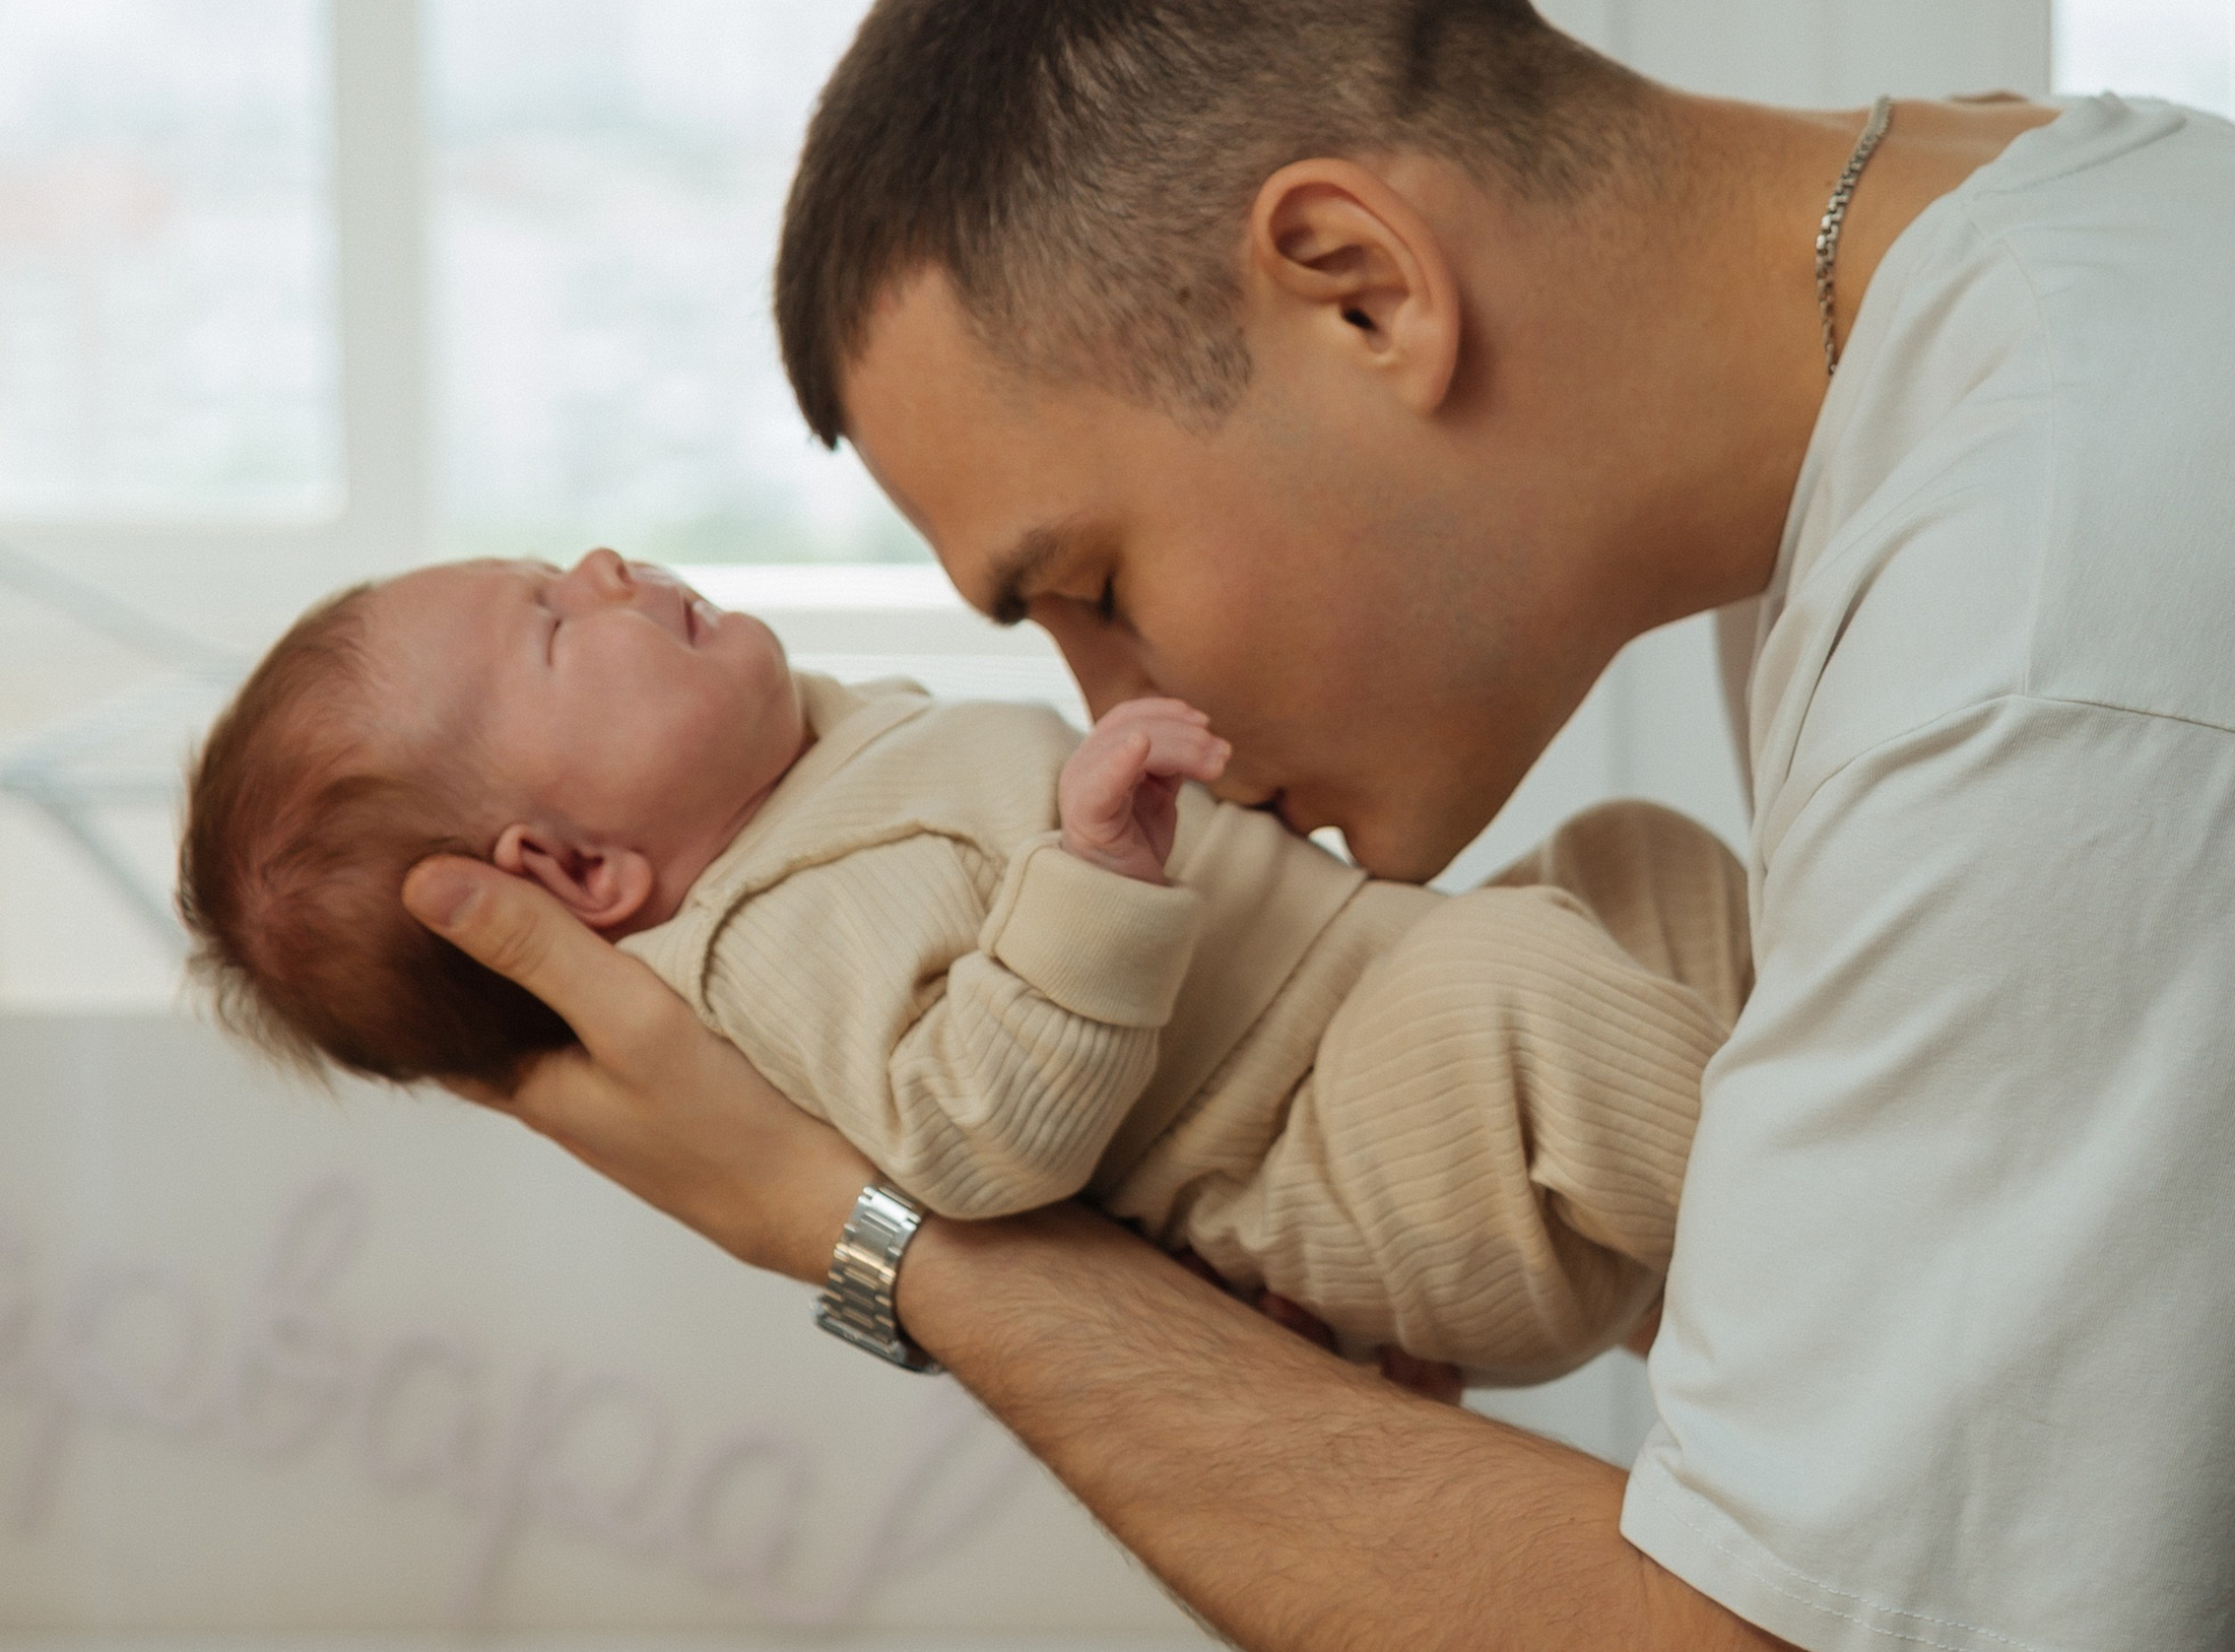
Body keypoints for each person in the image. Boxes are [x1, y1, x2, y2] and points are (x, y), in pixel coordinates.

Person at [397, 0, 2235, 1652]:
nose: (1098, 702)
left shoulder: (2082, 635)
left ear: (1356, 282)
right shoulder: (2029, 298)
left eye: (1089, 576)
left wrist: (888, 1242)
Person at [177, 548, 1746, 1377]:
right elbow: (970, 1140)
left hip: (1386, 1036)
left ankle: (1687, 1281)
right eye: (552, 624)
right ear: (578, 872)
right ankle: (1826, 1230)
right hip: (1335, 1137)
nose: (600, 563)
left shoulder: (806, 775)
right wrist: (1098, 879)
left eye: (553, 564)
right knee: (1525, 998)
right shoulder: (772, 939)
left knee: (1628, 867)